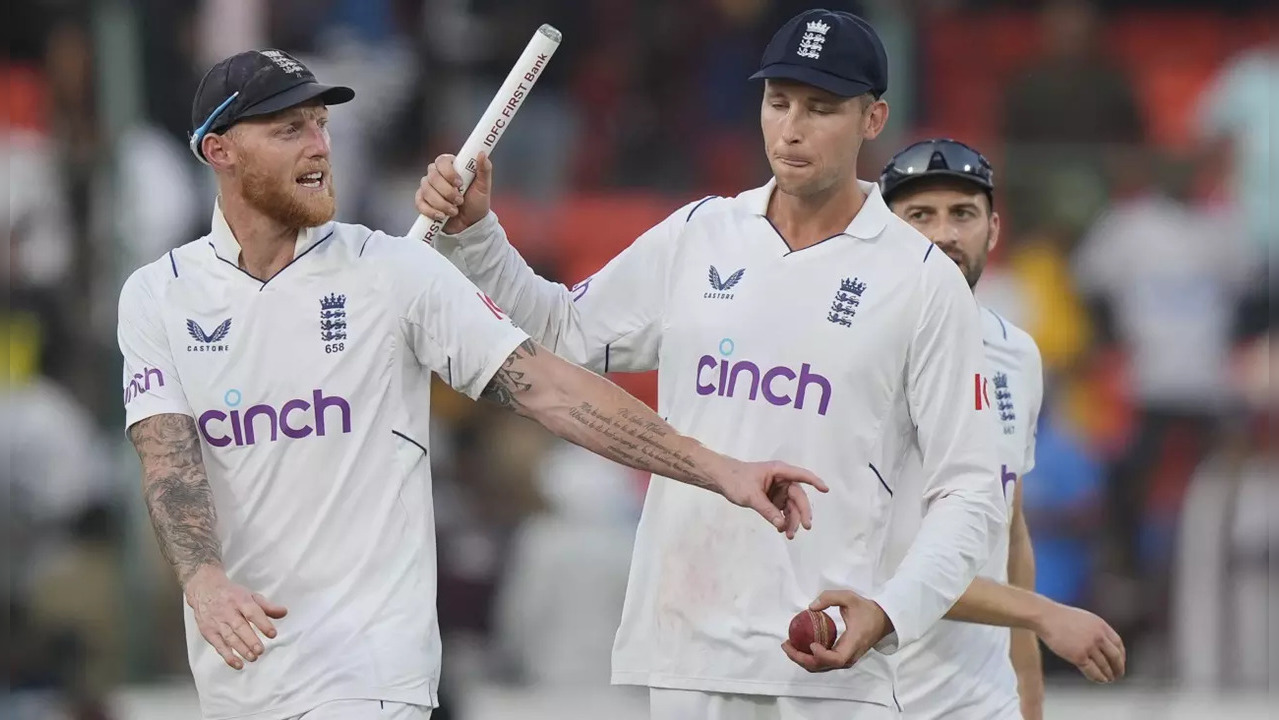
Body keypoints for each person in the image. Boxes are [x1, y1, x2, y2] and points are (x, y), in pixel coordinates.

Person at [117, 49, 827, 720]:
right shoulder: (158, 296)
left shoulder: (392, 272)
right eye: (288, 129)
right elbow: (170, 465)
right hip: (239, 676)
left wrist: (717, 468)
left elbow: (549, 387)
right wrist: (203, 579)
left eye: (321, 125)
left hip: (370, 674)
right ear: (219, 151)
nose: (319, 146)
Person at [416, 10, 1006, 719]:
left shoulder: (920, 279)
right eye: (777, 101)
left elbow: (969, 492)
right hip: (684, 648)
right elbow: (564, 332)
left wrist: (888, 612)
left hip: (825, 661)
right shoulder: (703, 232)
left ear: (872, 118)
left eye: (820, 109)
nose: (790, 128)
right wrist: (476, 233)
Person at [879, 138, 1126, 720]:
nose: (944, 233)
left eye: (962, 213)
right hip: (872, 694)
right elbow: (894, 566)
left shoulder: (1017, 352)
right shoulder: (852, 355)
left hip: (981, 701)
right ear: (883, 232)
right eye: (920, 215)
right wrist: (1045, 614)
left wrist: (1028, 699)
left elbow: (1010, 533)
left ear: (993, 230)